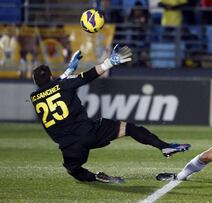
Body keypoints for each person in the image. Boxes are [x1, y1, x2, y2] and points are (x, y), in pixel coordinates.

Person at [30, 44, 191, 183]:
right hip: (89, 133)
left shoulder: (34, 98)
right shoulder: (63, 84)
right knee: (129, 128)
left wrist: (67, 72)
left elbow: (53, 87)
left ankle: (95, 177)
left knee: (74, 170)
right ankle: (165, 147)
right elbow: (87, 77)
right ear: (51, 76)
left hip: (69, 146)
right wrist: (109, 63)